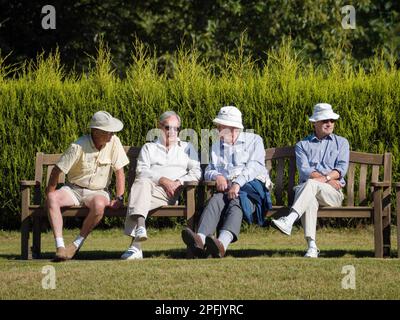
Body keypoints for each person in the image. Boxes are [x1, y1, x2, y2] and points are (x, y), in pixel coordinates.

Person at [181, 106, 272, 258]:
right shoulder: (216, 146)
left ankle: (222, 244)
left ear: (233, 128)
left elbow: (254, 166)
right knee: (215, 200)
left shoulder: (255, 140)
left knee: (237, 201)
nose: (217, 130)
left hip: (251, 192)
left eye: (220, 126)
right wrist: (217, 176)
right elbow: (209, 169)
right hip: (226, 191)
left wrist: (237, 184)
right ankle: (200, 240)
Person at [46, 111, 129, 261]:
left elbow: (120, 173)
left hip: (98, 192)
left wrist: (119, 197)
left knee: (99, 205)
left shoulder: (114, 142)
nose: (111, 134)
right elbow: (57, 170)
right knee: (52, 198)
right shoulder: (77, 146)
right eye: (108, 131)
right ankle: (60, 247)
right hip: (73, 189)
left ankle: (75, 245)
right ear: (96, 132)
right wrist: (49, 193)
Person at [272, 103, 350, 258]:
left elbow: (341, 169)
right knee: (310, 196)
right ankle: (312, 247)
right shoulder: (302, 145)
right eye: (325, 120)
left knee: (310, 185)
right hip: (310, 193)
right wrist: (328, 179)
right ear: (314, 123)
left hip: (332, 194)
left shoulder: (342, 143)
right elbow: (305, 171)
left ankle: (289, 219)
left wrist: (326, 179)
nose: (329, 124)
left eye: (332, 120)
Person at [121, 111, 201, 260]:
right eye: (167, 127)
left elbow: (197, 172)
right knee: (142, 182)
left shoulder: (187, 147)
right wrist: (162, 179)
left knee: (136, 195)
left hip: (169, 194)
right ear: (159, 127)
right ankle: (138, 238)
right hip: (148, 188)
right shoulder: (149, 147)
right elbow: (141, 170)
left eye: (176, 128)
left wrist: (179, 182)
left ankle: (136, 241)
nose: (172, 132)